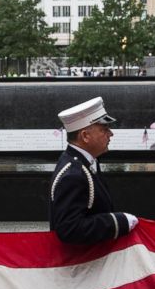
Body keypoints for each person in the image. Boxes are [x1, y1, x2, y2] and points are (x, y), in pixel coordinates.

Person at [49, 97, 138, 245]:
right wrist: (117, 222)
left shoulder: (85, 162)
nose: (111, 134)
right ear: (85, 136)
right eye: (104, 129)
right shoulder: (73, 175)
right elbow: (69, 229)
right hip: (81, 264)